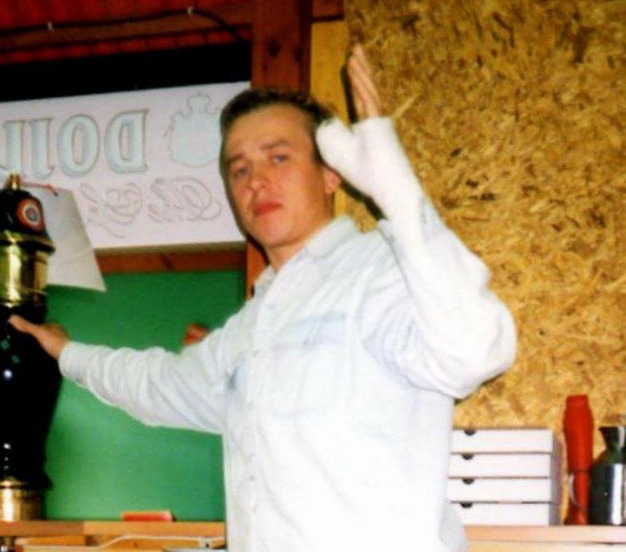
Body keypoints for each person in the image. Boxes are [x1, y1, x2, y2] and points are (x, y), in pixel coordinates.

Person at [10, 45, 516, 552]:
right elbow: (160, 384)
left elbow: (474, 351)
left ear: (332, 174)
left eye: (278, 157)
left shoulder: (381, 270)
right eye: (239, 170)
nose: (257, 181)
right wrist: (66, 351)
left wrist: (397, 192)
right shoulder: (256, 323)